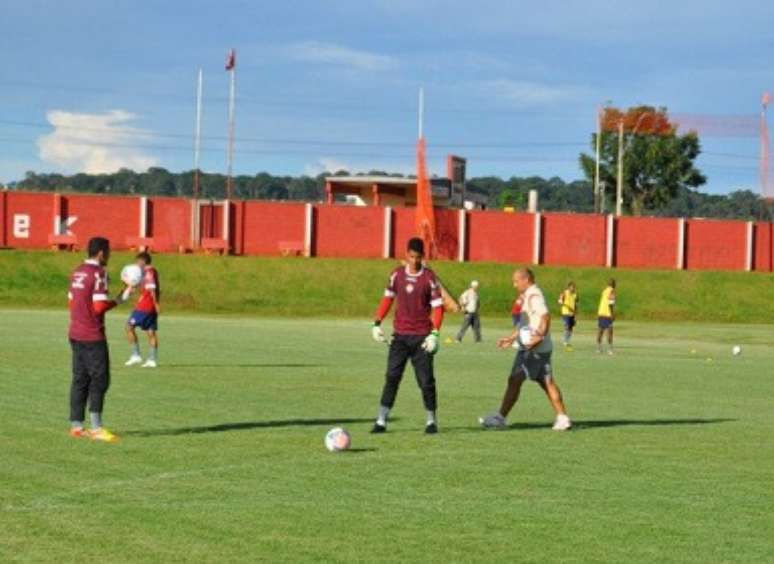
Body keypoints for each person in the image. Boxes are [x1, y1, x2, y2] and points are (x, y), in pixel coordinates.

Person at [479, 268, 572, 431]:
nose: (514, 285)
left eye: (516, 281)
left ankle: (500, 418)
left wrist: (540, 335)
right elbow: (525, 324)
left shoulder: (534, 295)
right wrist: (512, 338)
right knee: (541, 381)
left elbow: (546, 316)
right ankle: (562, 417)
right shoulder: (530, 295)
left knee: (520, 379)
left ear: (526, 279)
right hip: (538, 348)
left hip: (533, 348)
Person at [371, 237, 445, 434]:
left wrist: (435, 334)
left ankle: (431, 421)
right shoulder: (397, 274)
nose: (414, 261)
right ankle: (381, 420)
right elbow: (387, 299)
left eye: (418, 257)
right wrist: (376, 323)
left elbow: (439, 308)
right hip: (400, 337)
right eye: (411, 257)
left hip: (422, 337)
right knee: (392, 377)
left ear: (423, 257)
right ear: (406, 255)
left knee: (426, 381)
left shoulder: (429, 277)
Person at [68, 237, 132, 443]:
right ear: (102, 253)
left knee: (80, 378)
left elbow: (72, 300)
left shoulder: (77, 270)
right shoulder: (99, 273)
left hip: (75, 332)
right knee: (100, 379)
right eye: (109, 251)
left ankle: (76, 426)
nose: (110, 255)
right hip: (92, 335)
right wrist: (120, 300)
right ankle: (96, 428)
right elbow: (98, 307)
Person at [125, 251, 161, 368]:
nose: (136, 264)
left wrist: (156, 303)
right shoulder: (149, 272)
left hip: (145, 306)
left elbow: (152, 289)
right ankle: (152, 359)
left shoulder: (149, 272)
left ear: (143, 261)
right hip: (150, 308)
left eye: (138, 262)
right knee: (151, 332)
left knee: (129, 327)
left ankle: (136, 355)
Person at [597, 279, 616, 355]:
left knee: (600, 331)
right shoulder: (612, 291)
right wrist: (612, 313)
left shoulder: (604, 291)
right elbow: (611, 303)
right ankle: (610, 350)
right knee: (610, 331)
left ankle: (599, 348)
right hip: (607, 313)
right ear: (614, 284)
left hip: (601, 312)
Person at [558, 281, 579, 350]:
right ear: (569, 287)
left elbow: (576, 305)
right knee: (567, 326)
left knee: (571, 328)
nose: (573, 288)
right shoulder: (564, 293)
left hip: (572, 313)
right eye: (572, 287)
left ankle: (567, 340)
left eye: (574, 287)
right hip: (565, 312)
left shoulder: (575, 294)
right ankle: (565, 341)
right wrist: (566, 306)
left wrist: (576, 314)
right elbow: (560, 302)